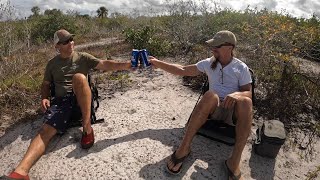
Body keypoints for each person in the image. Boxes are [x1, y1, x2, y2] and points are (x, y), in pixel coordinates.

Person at [1, 29, 131, 180]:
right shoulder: (52, 64)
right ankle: (21, 172)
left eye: (71, 40)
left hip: (80, 102)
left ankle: (87, 128)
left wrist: (128, 65)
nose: (70, 43)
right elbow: (45, 84)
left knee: (79, 78)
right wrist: (44, 97)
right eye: (65, 42)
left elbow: (105, 64)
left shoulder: (82, 57)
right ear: (57, 46)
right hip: (61, 104)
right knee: (44, 132)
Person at [149, 30, 252, 180]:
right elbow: (182, 70)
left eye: (217, 46)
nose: (213, 49)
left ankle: (233, 162)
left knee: (246, 102)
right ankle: (184, 149)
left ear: (230, 47)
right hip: (214, 109)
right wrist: (157, 62)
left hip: (232, 112)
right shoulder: (209, 63)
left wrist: (237, 95)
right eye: (213, 45)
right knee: (210, 95)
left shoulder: (241, 68)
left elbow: (248, 92)